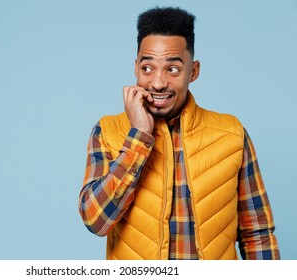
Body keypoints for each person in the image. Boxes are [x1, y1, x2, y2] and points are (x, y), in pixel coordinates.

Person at [78, 6, 280, 260]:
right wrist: (138, 137)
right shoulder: (108, 131)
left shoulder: (231, 134)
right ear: (136, 68)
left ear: (193, 72)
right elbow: (95, 221)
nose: (158, 82)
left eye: (172, 69)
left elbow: (257, 234)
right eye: (148, 68)